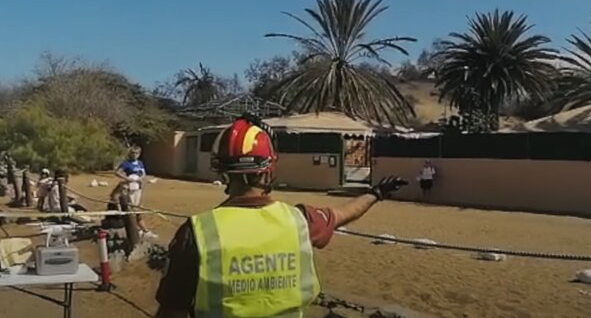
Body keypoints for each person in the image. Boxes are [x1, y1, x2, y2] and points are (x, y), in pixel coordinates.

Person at [153, 113, 407, 317]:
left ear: (221, 170)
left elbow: (172, 310)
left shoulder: (197, 232)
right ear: (268, 169)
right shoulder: (300, 220)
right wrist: (376, 193)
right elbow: (343, 214)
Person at [111, 146, 155, 238]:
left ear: (139, 154)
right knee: (132, 208)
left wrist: (141, 179)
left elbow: (143, 173)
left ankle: (141, 229)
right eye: (133, 153)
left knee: (137, 207)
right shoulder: (126, 163)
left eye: (136, 153)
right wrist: (127, 178)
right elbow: (117, 172)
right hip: (130, 187)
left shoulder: (140, 163)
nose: (134, 155)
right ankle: (139, 229)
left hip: (138, 187)